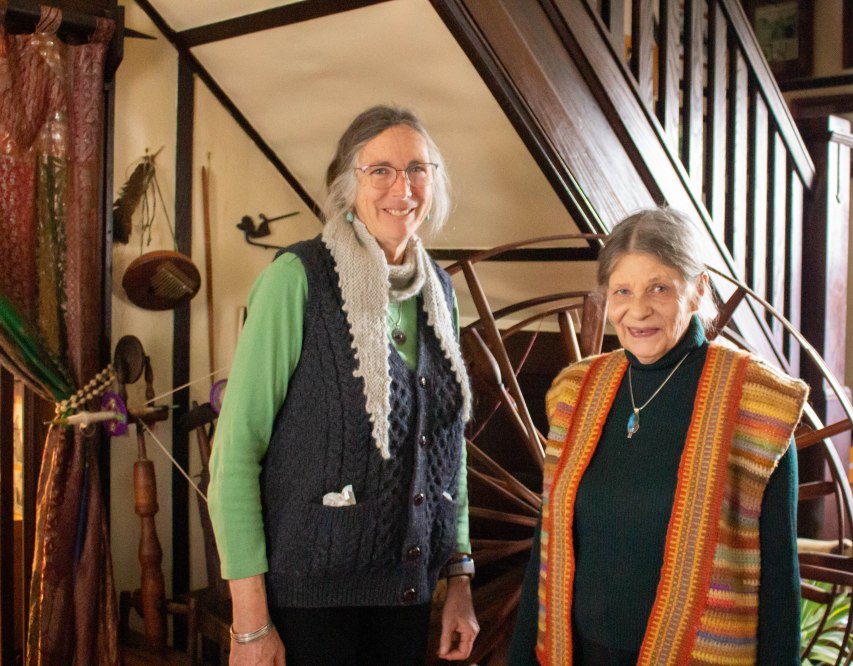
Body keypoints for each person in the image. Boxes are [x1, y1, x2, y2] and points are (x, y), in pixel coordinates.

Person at [208, 105, 479, 665]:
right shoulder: (297, 279)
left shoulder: (441, 292)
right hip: (309, 601)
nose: (400, 187)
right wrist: (250, 625)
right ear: (345, 185)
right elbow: (234, 456)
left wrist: (460, 580)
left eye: (417, 169)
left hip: (407, 592)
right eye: (379, 170)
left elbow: (448, 456)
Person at [508, 207, 809, 665]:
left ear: (698, 290)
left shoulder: (756, 402)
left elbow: (779, 585)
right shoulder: (575, 392)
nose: (638, 309)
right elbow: (545, 553)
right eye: (622, 291)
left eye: (659, 288)